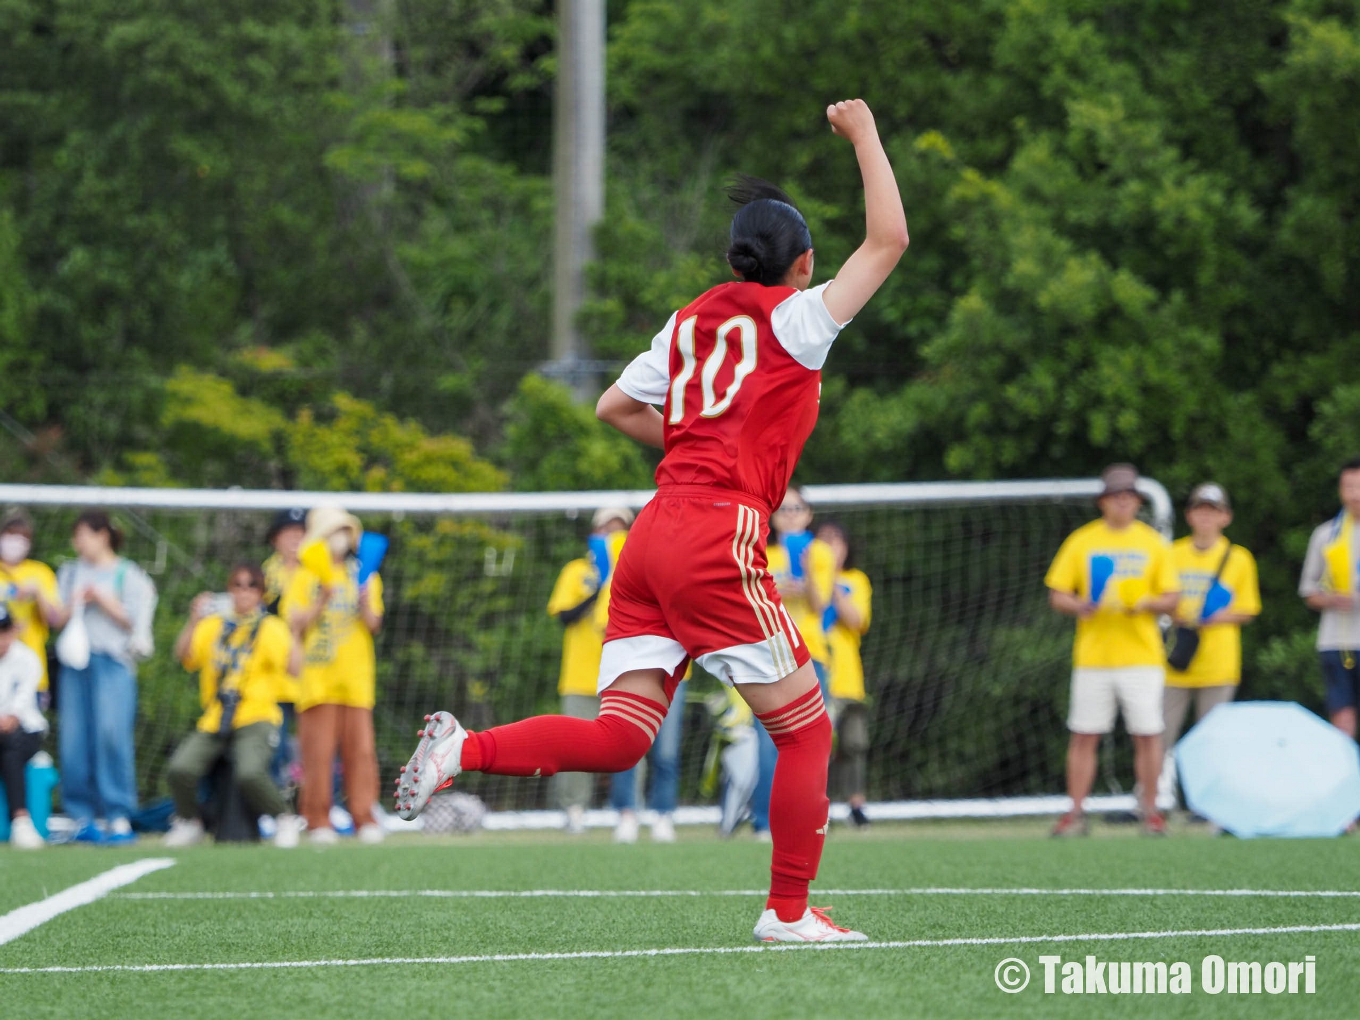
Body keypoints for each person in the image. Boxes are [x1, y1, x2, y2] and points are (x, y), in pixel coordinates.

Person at [395, 98, 907, 943]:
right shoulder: (797, 319)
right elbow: (887, 241)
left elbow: (611, 406)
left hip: (652, 534)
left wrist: (701, 440)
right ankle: (787, 912)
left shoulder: (688, 321)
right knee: (809, 727)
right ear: (804, 264)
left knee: (621, 737)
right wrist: (866, 136)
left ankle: (466, 750)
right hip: (717, 537)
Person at [1045, 464, 1179, 837]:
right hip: (1093, 656)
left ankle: (1150, 811)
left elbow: (1173, 598)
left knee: (1148, 734)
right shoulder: (1082, 541)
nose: (1123, 502)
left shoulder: (1153, 542)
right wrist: (1080, 605)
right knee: (1084, 735)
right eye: (1116, 496)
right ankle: (1075, 813)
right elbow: (1057, 594)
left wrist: (1146, 603)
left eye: (1129, 496)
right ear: (1103, 502)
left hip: (1142, 656)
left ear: (1137, 501)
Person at [165, 562, 302, 848]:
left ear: (261, 594)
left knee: (250, 772)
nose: (244, 592)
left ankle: (283, 818)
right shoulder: (213, 625)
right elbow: (184, 655)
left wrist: (297, 632)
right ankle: (190, 821)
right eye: (237, 585)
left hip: (257, 715)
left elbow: (294, 668)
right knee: (180, 768)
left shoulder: (270, 627)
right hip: (216, 717)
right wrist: (193, 619)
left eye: (252, 586)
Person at [52, 509, 158, 845]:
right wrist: (75, 602)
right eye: (76, 536)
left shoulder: (130, 574)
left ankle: (118, 813)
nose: (79, 542)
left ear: (103, 535)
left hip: (113, 662)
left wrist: (105, 600)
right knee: (73, 739)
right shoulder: (69, 573)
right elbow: (56, 619)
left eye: (84, 534)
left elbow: (139, 626)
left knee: (111, 735)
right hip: (75, 664)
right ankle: (81, 816)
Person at [283, 504, 385, 844]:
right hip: (317, 682)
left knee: (361, 753)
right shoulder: (304, 576)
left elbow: (374, 625)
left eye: (343, 532)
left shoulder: (365, 574)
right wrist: (322, 600)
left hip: (356, 681)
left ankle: (364, 817)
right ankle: (318, 820)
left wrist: (365, 601)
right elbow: (293, 623)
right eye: (331, 532)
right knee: (317, 756)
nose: (338, 539)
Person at [748, 487, 836, 837]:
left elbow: (818, 604)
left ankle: (805, 821)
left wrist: (804, 573)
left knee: (811, 744)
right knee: (767, 744)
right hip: (770, 655)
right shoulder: (759, 550)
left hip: (812, 656)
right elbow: (754, 600)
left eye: (797, 508)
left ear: (809, 514)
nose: (790, 513)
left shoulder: (819, 553)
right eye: (783, 508)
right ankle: (764, 822)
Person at [545, 506, 633, 834]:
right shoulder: (576, 570)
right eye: (606, 529)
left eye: (619, 529)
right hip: (580, 675)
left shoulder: (638, 567)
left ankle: (628, 812)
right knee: (574, 744)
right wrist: (600, 588)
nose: (612, 536)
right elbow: (564, 616)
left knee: (628, 743)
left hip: (624, 675)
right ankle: (575, 810)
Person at [1165, 484, 1260, 749]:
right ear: (1189, 515)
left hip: (1219, 665)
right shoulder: (1171, 553)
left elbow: (1249, 609)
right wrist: (1175, 613)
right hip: (1174, 661)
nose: (1206, 517)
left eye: (1213, 511)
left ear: (1225, 517)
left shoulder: (1239, 559)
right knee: (1158, 737)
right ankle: (1152, 791)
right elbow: (1160, 599)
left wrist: (1216, 617)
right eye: (1200, 510)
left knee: (1212, 742)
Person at [814, 520, 873, 828]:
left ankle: (855, 806)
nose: (831, 547)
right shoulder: (806, 579)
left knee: (853, 744)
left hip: (847, 678)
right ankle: (815, 807)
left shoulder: (856, 580)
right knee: (817, 748)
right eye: (824, 540)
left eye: (837, 541)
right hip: (813, 675)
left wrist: (833, 582)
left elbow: (857, 620)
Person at [1299, 457, 1360, 739]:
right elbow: (1308, 590)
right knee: (1343, 721)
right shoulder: (1325, 535)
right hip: (1335, 641)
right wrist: (1332, 599)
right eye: (1349, 486)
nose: (1355, 494)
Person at [262, 507, 307, 787]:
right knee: (273, 744)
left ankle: (323, 805)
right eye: (288, 533)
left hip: (313, 674)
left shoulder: (319, 571)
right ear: (275, 539)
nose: (294, 539)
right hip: (274, 676)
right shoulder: (264, 575)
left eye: (300, 533)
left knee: (315, 744)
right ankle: (273, 804)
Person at [0, 508, 63, 706]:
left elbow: (56, 620)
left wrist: (38, 593)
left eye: (22, 537)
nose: (15, 542)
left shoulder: (40, 573)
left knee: (25, 732)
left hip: (29, 672)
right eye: (11, 535)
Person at [0, 606, 48, 849]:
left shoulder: (27, 658)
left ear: (12, 631)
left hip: (26, 731)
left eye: (3, 631)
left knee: (11, 746)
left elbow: (13, 717)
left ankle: (21, 821)